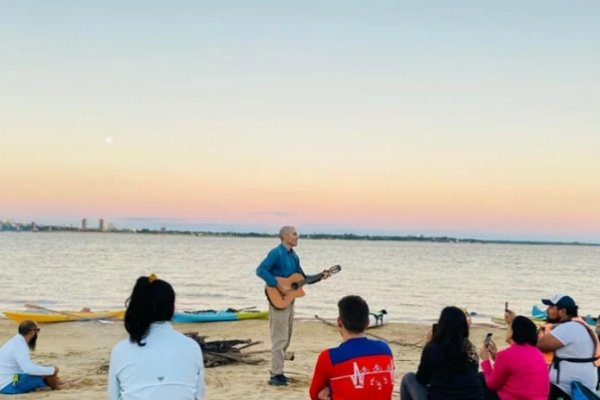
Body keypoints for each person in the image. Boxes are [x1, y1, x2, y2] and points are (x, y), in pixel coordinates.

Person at [108, 274, 205, 400]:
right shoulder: (192, 347)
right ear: (172, 308)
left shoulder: (120, 350)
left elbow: (114, 397)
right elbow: (198, 395)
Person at [256, 225, 330, 386]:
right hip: (277, 297)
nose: (297, 237)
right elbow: (260, 270)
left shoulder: (294, 256)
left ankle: (279, 371)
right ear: (284, 236)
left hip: (289, 299)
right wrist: (277, 284)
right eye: (294, 234)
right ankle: (275, 375)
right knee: (279, 337)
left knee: (287, 336)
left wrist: (320, 276)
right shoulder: (277, 252)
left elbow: (302, 278)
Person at [309, 295, 394, 400]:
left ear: (339, 322)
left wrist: (330, 389)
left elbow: (314, 394)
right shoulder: (385, 350)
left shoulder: (329, 357)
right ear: (367, 322)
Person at [400, 306, 482, 400]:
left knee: (408, 378)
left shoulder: (433, 348)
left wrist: (428, 343)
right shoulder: (470, 349)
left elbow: (421, 378)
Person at [537, 294, 599, 400]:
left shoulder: (569, 327)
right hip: (580, 386)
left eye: (551, 307)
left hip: (568, 389)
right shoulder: (579, 325)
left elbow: (540, 345)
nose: (547, 310)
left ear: (562, 311)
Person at [479, 316, 549, 400]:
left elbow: (492, 384)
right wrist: (495, 357)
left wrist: (485, 360)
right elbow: (517, 367)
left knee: (481, 378)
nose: (507, 330)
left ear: (513, 332)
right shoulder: (537, 353)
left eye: (509, 328)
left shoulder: (506, 355)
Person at [0, 320, 60, 394]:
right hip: (10, 386)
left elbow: (24, 367)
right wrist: (53, 370)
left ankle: (56, 383)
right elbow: (29, 369)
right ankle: (58, 388)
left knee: (45, 370)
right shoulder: (20, 345)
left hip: (6, 381)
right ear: (32, 332)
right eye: (37, 331)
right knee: (51, 371)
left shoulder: (15, 341)